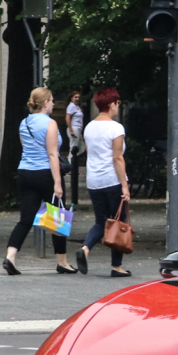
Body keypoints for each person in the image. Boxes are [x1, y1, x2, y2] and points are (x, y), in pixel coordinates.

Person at [3, 86, 74, 275]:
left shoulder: (24, 123)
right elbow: (52, 154)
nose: (53, 103)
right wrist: (57, 182)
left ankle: (10, 256)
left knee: (25, 219)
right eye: (51, 100)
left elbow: (25, 147)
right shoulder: (50, 124)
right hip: (45, 174)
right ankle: (62, 261)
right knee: (57, 217)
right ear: (45, 103)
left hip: (25, 173)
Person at [78, 87, 131, 277]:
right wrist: (124, 184)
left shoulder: (89, 127)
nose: (118, 105)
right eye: (117, 102)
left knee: (101, 221)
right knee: (117, 221)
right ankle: (116, 266)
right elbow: (117, 158)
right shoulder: (116, 128)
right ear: (111, 104)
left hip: (94, 180)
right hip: (112, 179)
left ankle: (85, 248)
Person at [65, 91, 85, 155]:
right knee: (73, 147)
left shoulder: (77, 107)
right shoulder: (71, 106)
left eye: (78, 97)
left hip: (78, 128)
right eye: (75, 97)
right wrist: (71, 130)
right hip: (74, 128)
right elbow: (67, 118)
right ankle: (70, 163)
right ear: (71, 98)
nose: (77, 99)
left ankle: (73, 159)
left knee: (82, 147)